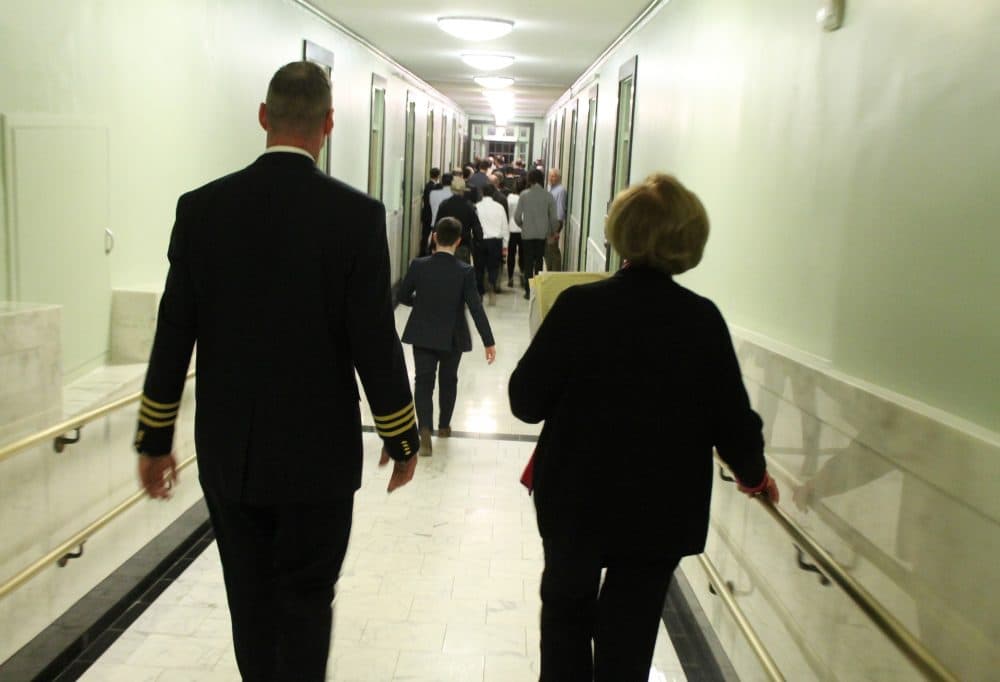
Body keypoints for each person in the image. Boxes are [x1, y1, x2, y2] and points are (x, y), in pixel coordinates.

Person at [133, 61, 420, 682]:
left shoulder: (201, 210)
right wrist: (401, 436)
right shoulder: (356, 218)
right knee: (308, 598)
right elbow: (374, 340)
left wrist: (154, 438)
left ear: (264, 118)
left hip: (230, 451)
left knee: (251, 601)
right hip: (318, 457)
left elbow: (173, 331)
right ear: (329, 125)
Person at [508, 173, 779, 682]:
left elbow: (526, 402)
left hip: (575, 500)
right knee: (629, 638)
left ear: (620, 231)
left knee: (565, 614)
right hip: (660, 509)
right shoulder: (702, 321)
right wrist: (754, 475)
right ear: (688, 240)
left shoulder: (580, 308)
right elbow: (732, 419)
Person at [398, 217, 496, 455]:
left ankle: (423, 430)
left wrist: (418, 303)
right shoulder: (465, 271)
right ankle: (443, 427)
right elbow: (475, 307)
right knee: (448, 380)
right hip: (453, 335)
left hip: (422, 332)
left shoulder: (418, 265)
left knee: (423, 382)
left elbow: (402, 295)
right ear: (459, 241)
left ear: (434, 237)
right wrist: (488, 341)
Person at [513, 168, 558, 299]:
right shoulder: (548, 196)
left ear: (530, 179)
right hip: (541, 235)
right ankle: (537, 290)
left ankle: (528, 291)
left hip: (527, 234)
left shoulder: (524, 195)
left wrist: (523, 225)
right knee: (539, 262)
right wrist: (551, 232)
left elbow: (517, 217)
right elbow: (553, 218)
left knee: (528, 263)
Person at [436, 175, 483, 268]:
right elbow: (477, 228)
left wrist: (434, 245)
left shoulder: (444, 204)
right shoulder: (469, 206)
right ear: (463, 191)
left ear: (451, 189)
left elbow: (437, 225)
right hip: (463, 246)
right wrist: (478, 242)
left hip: (444, 245)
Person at [476, 184, 510, 304]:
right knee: (493, 267)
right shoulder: (499, 207)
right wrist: (505, 245)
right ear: (493, 193)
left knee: (479, 267)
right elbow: (505, 227)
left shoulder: (477, 207)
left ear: (482, 193)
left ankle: (479, 292)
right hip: (495, 241)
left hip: (479, 241)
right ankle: (492, 286)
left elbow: (473, 227)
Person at [546, 168, 566, 272]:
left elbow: (560, 209)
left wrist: (557, 230)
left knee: (553, 249)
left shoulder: (561, 190)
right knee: (547, 250)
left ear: (558, 178)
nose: (551, 178)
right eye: (550, 176)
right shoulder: (550, 188)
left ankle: (555, 272)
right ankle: (550, 271)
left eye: (553, 176)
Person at [506, 176, 524, 288]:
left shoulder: (510, 197)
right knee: (522, 253)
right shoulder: (526, 197)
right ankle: (522, 273)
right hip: (523, 228)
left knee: (511, 254)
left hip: (511, 228)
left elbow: (507, 212)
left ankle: (510, 276)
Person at [419, 167, 441, 256]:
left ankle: (424, 252)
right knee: (430, 234)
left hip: (426, 214)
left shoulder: (427, 186)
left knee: (425, 234)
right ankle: (426, 252)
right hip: (431, 215)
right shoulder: (433, 187)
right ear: (438, 176)